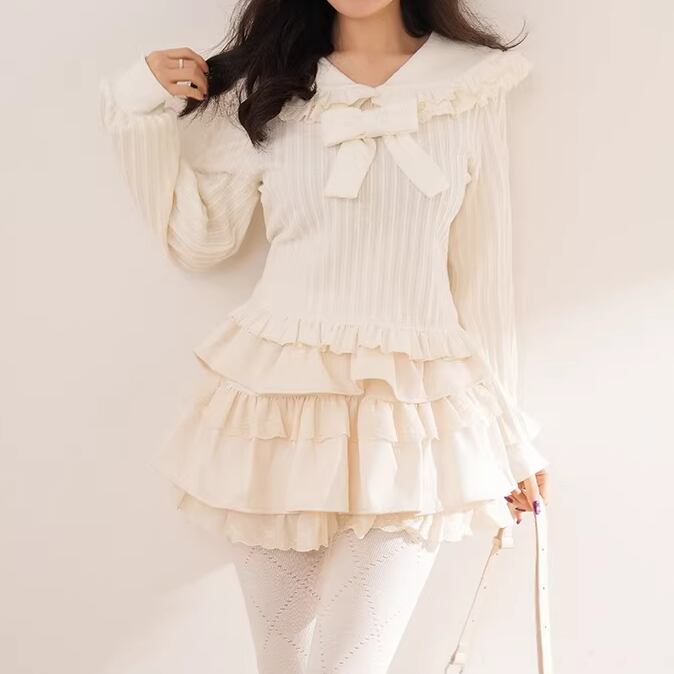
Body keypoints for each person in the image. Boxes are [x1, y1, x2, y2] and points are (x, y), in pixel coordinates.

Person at [99, 1, 550, 672]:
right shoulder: (266, 86)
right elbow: (200, 240)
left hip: (409, 413)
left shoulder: (468, 84)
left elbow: (482, 275)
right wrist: (135, 106)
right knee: (282, 663)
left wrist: (509, 438)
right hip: (276, 407)